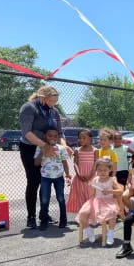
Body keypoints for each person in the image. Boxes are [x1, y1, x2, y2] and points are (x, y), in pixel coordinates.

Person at [18, 86, 72, 228]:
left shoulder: (54, 111)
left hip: (50, 149)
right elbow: (27, 133)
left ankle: (44, 214)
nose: (54, 103)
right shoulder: (29, 108)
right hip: (30, 148)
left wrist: (65, 145)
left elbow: (60, 133)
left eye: (56, 101)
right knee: (34, 181)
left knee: (45, 181)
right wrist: (44, 146)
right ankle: (31, 217)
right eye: (51, 100)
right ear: (42, 97)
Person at [76, 158, 122, 245]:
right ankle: (88, 230)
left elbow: (120, 191)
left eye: (105, 170)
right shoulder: (95, 179)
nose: (102, 172)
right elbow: (92, 194)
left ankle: (110, 233)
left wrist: (109, 191)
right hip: (95, 201)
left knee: (112, 212)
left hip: (108, 201)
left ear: (110, 170)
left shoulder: (112, 179)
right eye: (100, 170)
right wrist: (91, 189)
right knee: (83, 213)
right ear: (96, 170)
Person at [33, 128, 71, 231]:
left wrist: (68, 175)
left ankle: (63, 220)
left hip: (59, 177)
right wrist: (42, 151)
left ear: (58, 137)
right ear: (45, 136)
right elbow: (36, 163)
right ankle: (44, 221)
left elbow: (64, 162)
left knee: (61, 198)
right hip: (45, 177)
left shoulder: (61, 148)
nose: (52, 138)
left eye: (55, 136)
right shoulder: (40, 147)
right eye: (50, 135)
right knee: (45, 199)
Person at [66, 129, 98, 213]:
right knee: (80, 197)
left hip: (91, 178)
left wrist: (90, 175)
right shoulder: (77, 150)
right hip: (79, 179)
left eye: (84, 138)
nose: (81, 140)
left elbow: (96, 164)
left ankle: (92, 216)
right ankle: (82, 216)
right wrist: (79, 174)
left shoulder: (95, 150)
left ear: (90, 138)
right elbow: (75, 164)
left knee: (91, 196)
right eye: (80, 138)